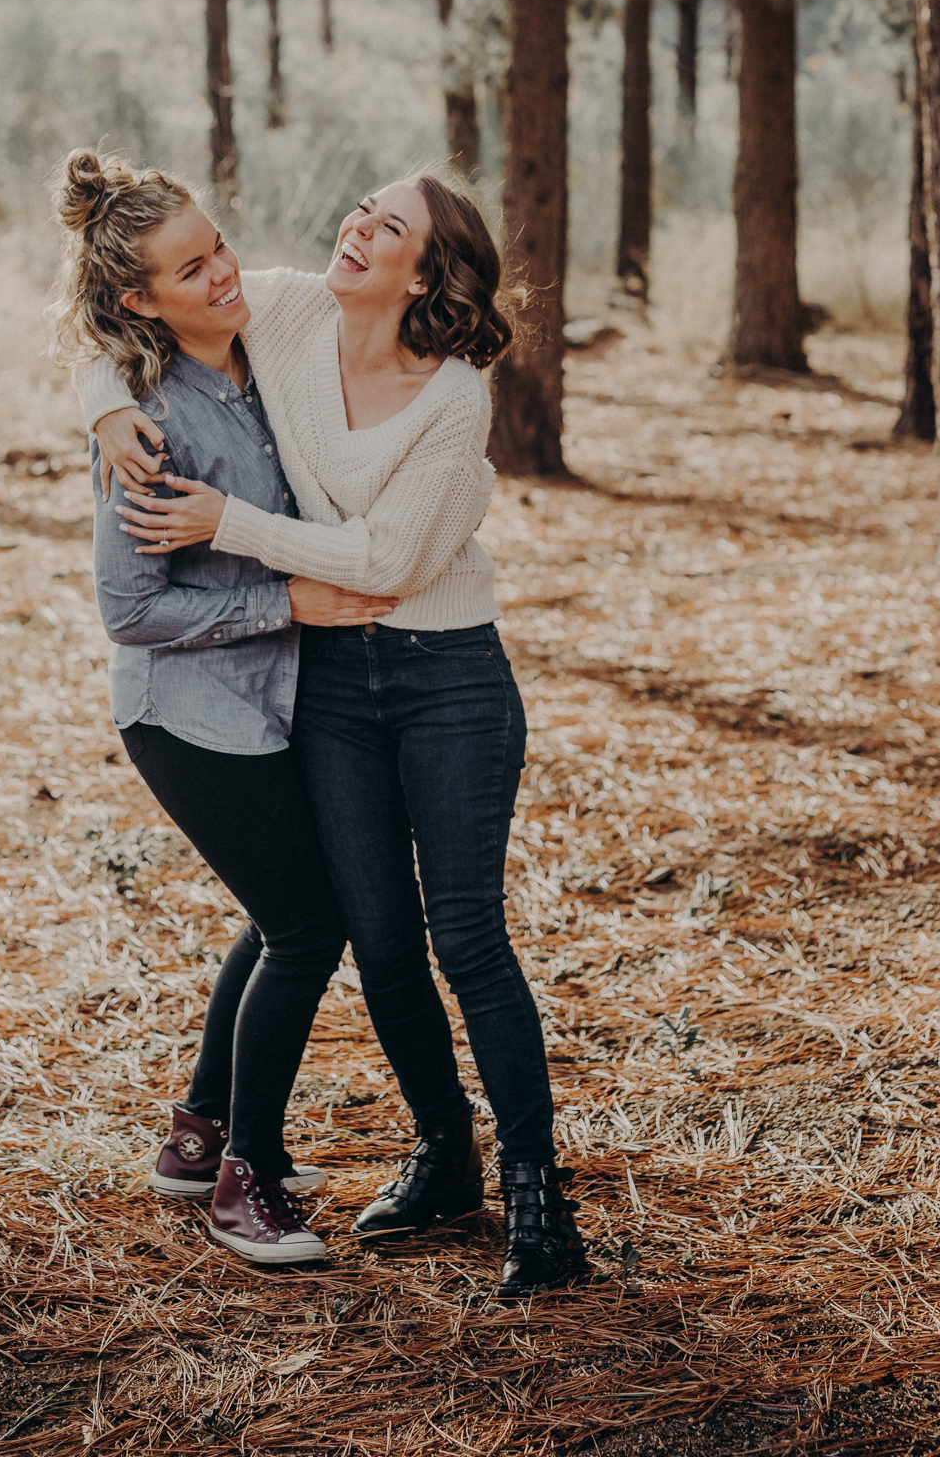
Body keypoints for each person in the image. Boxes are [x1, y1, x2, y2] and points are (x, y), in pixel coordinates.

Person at [81, 170, 590, 1297]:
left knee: (465, 936)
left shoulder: (453, 397)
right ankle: (441, 1153)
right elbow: (130, 315)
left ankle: (537, 1195)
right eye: (357, 203)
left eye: (388, 225)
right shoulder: (294, 306)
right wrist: (104, 404)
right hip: (326, 682)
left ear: (427, 272)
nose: (354, 224)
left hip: (445, 674)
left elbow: (386, 564)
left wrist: (229, 523)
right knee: (372, 934)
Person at [53, 149, 401, 1268]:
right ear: (137, 298)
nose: (223, 274)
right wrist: (282, 597)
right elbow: (128, 609)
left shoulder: (268, 348)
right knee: (308, 924)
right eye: (189, 268)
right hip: (184, 713)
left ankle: (197, 1136)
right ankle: (244, 1179)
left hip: (272, 701)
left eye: (219, 247)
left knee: (281, 915)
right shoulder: (150, 424)